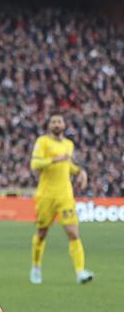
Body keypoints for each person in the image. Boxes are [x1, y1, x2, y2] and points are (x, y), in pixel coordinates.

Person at [29, 114, 93, 285]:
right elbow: (35, 164)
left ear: (64, 125)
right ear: (50, 125)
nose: (57, 124)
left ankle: (80, 271)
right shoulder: (43, 142)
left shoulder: (68, 145)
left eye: (59, 121)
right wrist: (54, 159)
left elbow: (67, 166)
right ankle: (36, 267)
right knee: (42, 233)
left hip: (65, 194)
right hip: (46, 195)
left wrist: (80, 171)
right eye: (53, 121)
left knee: (73, 232)